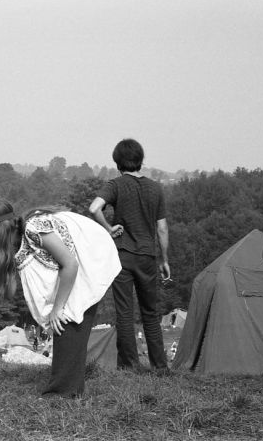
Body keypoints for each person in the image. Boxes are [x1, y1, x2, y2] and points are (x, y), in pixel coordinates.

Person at [0, 198, 121, 397]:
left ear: (1, 227)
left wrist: (57, 308)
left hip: (90, 255)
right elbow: (11, 292)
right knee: (64, 324)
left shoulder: (34, 228)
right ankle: (67, 390)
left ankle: (61, 394)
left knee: (65, 319)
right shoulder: (12, 244)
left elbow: (70, 264)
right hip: (70, 268)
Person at [88, 138, 170, 373]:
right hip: (147, 256)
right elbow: (162, 228)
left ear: (117, 163)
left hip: (122, 256)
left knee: (124, 313)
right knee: (151, 313)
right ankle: (160, 367)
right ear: (141, 162)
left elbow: (94, 208)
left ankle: (129, 367)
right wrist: (164, 259)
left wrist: (109, 228)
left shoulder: (115, 185)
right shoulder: (156, 188)